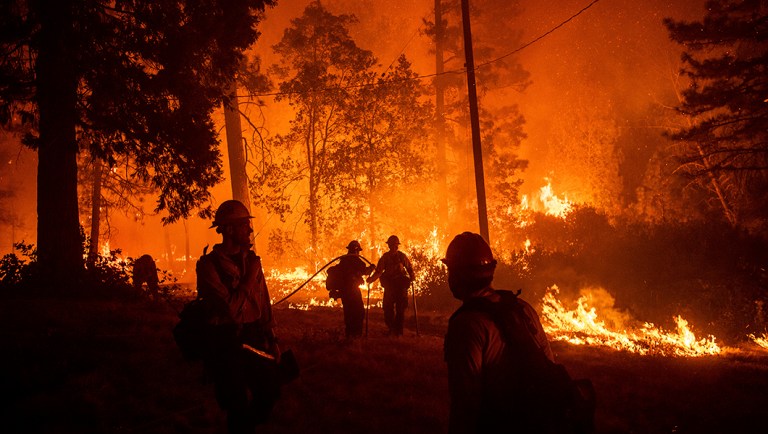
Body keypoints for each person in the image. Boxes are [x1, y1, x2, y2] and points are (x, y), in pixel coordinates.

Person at [442, 232, 556, 434]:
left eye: (450, 270)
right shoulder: (522, 308)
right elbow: (550, 366)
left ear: (458, 274)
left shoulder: (467, 324)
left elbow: (466, 401)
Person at [195, 200, 281, 434]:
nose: (250, 230)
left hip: (253, 336)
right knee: (236, 404)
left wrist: (272, 339)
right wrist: (248, 278)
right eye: (244, 225)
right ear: (229, 229)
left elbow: (263, 302)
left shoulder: (251, 261)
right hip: (225, 342)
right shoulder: (208, 266)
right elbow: (231, 310)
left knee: (270, 391)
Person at [367, 235, 414, 336]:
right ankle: (392, 329)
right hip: (390, 286)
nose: (393, 247)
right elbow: (379, 271)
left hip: (401, 287)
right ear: (389, 245)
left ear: (397, 246)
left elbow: (409, 267)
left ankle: (399, 331)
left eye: (395, 245)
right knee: (388, 309)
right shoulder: (385, 258)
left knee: (400, 310)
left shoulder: (402, 256)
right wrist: (371, 279)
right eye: (391, 245)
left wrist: (412, 276)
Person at [336, 240, 375, 338]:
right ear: (357, 250)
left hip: (344, 292)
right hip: (353, 291)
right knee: (359, 312)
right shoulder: (357, 261)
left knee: (348, 312)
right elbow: (364, 271)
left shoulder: (343, 260)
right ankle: (356, 334)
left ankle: (349, 334)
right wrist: (372, 268)